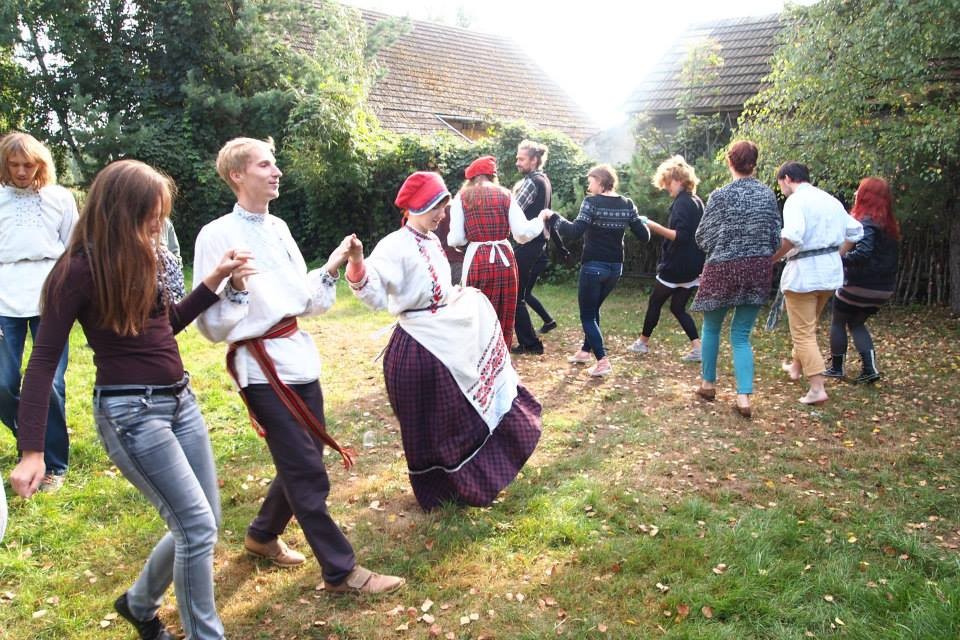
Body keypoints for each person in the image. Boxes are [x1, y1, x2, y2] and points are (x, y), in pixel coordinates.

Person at [10, 159, 251, 640]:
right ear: (123, 212)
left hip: (181, 402)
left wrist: (214, 282)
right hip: (131, 413)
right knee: (197, 528)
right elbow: (41, 363)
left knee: (204, 521)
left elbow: (168, 327)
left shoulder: (151, 257)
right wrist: (33, 450)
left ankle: (139, 604)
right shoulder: (76, 271)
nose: (158, 225)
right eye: (151, 215)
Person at [193, 137, 403, 595]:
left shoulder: (280, 226)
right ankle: (341, 571)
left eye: (275, 165)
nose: (276, 172)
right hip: (262, 367)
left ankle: (262, 535)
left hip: (297, 358)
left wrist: (329, 269)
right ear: (237, 175)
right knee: (307, 470)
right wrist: (236, 289)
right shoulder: (215, 234)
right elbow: (209, 325)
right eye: (265, 165)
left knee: (303, 458)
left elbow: (301, 299)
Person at [345, 171, 542, 511]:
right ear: (416, 206)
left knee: (459, 415)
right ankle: (440, 492)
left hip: (444, 339)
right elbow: (375, 295)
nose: (441, 215)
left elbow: (438, 287)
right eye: (436, 207)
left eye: (444, 206)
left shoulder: (431, 240)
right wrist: (358, 264)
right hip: (419, 347)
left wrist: (458, 296)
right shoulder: (395, 245)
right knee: (433, 424)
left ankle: (470, 482)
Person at [0, 132, 78, 492]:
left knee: (50, 383)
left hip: (50, 295)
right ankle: (28, 433)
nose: (20, 171)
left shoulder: (59, 198)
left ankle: (54, 462)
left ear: (40, 164)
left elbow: (74, 247)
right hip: (4, 296)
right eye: (13, 164)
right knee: (2, 381)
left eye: (27, 165)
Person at [690, 140, 782, 418]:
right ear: (755, 163)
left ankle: (708, 384)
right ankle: (743, 397)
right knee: (741, 336)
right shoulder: (767, 196)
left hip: (723, 268)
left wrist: (723, 246)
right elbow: (775, 237)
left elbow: (701, 237)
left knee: (711, 328)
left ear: (730, 162)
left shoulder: (720, 196)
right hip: (757, 269)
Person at [541, 164, 651, 377]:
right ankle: (584, 352)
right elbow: (644, 237)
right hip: (615, 268)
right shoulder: (628, 204)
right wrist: (639, 220)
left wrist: (553, 217)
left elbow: (573, 231)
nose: (588, 187)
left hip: (593, 267)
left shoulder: (591, 203)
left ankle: (602, 361)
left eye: (591, 182)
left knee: (588, 315)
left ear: (601, 182)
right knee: (594, 310)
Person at [772, 161, 863, 405]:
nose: (782, 190)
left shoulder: (796, 201)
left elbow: (791, 237)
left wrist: (771, 259)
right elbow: (855, 232)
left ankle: (817, 387)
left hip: (804, 275)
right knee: (807, 327)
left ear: (787, 178)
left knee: (802, 332)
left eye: (781, 184)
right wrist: (835, 255)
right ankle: (795, 366)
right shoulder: (830, 200)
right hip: (829, 274)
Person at [447, 155, 544, 345]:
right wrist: (540, 221)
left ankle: (479, 359)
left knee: (477, 312)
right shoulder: (505, 194)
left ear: (472, 177)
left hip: (478, 259)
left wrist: (465, 241)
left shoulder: (462, 197)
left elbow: (457, 238)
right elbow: (522, 233)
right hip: (505, 260)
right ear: (492, 176)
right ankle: (501, 358)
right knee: (504, 314)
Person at [628, 155, 705, 362]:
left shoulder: (683, 203)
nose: (666, 188)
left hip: (677, 265)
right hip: (693, 265)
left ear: (679, 180)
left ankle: (642, 343)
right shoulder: (696, 201)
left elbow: (680, 236)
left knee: (655, 302)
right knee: (677, 307)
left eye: (668, 183)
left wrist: (652, 225)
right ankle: (698, 348)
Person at [825, 177, 899, 384]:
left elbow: (863, 252)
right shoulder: (889, 226)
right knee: (857, 323)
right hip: (883, 287)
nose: (856, 193)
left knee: (838, 320)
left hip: (859, 284)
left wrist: (839, 259)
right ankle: (869, 369)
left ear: (866, 196)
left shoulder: (865, 221)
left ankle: (836, 368)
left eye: (859, 190)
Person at [511, 140, 568, 354]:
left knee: (516, 295)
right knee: (520, 294)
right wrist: (559, 246)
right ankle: (530, 342)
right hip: (538, 245)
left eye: (521, 158)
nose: (517, 162)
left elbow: (512, 211)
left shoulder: (530, 182)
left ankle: (531, 344)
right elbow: (548, 217)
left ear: (534, 160)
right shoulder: (544, 180)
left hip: (528, 244)